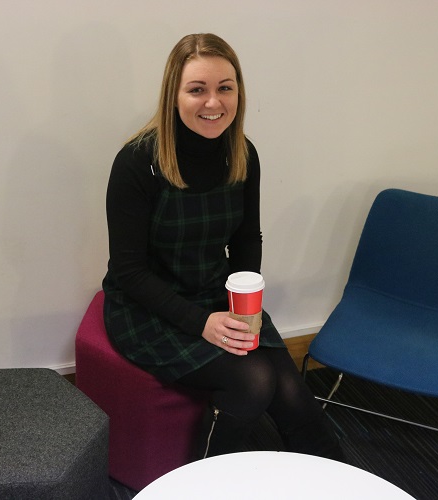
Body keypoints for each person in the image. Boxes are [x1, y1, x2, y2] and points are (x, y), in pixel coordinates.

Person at [102, 33, 344, 461]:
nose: (213, 102)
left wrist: (244, 306)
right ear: (173, 95)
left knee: (296, 400)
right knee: (253, 381)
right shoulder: (137, 162)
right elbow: (129, 271)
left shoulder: (243, 153)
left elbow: (247, 238)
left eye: (225, 88)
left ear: (238, 92)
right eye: (197, 89)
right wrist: (201, 323)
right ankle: (203, 482)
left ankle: (338, 483)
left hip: (215, 292)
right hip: (147, 309)